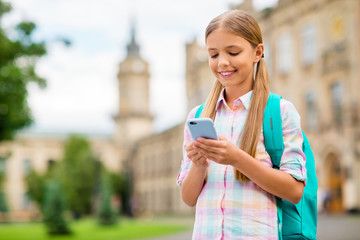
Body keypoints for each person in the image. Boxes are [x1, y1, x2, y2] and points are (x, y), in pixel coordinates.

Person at [177, 10, 307, 240]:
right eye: (213, 54)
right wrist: (198, 165)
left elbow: (294, 191)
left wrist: (237, 158)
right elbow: (188, 198)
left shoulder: (280, 112)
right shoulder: (198, 115)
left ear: (257, 52)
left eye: (233, 52)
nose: (222, 62)